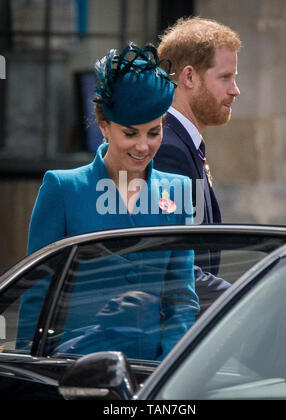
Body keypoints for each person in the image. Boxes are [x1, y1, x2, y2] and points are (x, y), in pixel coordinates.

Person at [18, 42, 199, 359]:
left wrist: (169, 366)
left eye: (153, 132)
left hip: (148, 373)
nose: (143, 146)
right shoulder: (62, 188)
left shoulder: (178, 190)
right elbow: (37, 292)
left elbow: (181, 300)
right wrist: (28, 372)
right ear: (104, 126)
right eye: (130, 133)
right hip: (71, 365)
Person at [153, 17, 241, 306]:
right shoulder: (167, 148)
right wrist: (245, 301)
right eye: (225, 77)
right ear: (189, 77)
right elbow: (168, 266)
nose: (235, 90)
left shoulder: (181, 142)